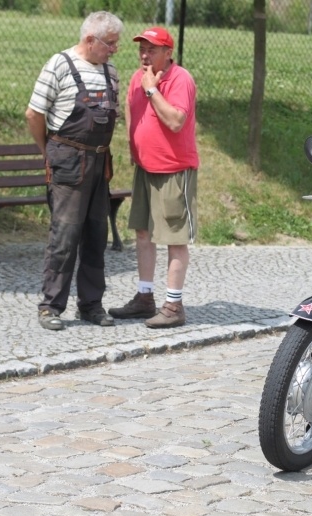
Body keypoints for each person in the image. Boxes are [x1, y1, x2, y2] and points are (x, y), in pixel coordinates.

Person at [25, 11, 124, 331]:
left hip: (99, 163)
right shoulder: (59, 65)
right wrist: (49, 152)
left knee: (97, 236)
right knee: (65, 236)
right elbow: (33, 114)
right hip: (68, 159)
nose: (114, 50)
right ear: (89, 40)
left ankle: (91, 305)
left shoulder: (110, 70)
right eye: (110, 44)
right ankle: (50, 305)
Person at [108, 27, 199, 329]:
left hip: (174, 169)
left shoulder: (180, 79)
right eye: (142, 49)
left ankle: (174, 305)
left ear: (168, 53)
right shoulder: (138, 77)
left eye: (152, 49)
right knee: (143, 233)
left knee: (174, 238)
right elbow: (130, 112)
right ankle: (145, 297)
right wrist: (134, 148)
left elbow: (175, 121)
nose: (145, 55)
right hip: (145, 169)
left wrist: (152, 89)